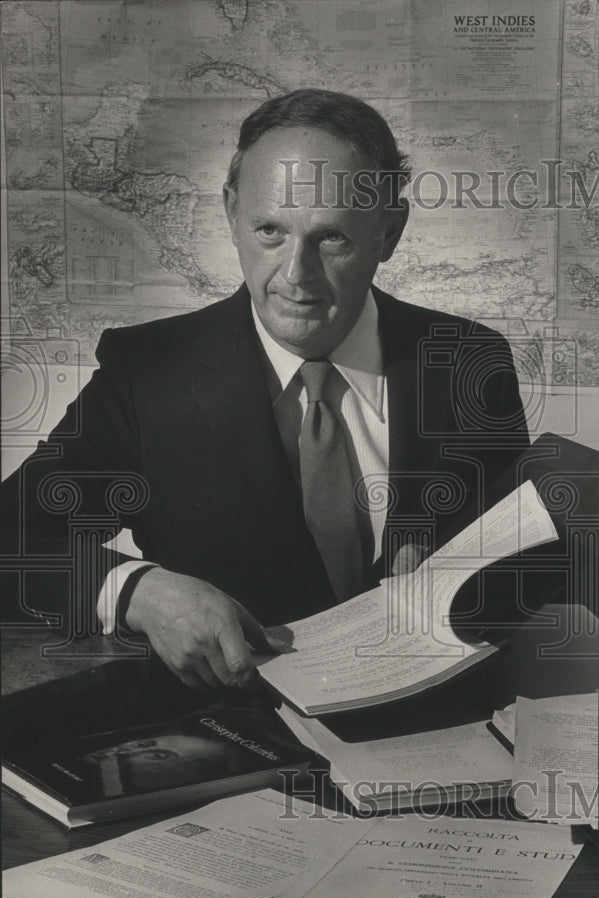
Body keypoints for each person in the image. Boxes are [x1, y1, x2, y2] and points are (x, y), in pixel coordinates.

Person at [1, 89, 529, 693]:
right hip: (232, 742)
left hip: (436, 738)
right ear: (231, 214)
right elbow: (12, 543)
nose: (296, 276)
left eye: (331, 238)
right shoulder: (145, 375)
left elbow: (515, 565)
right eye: (270, 231)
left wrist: (462, 582)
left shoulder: (468, 362)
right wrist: (138, 593)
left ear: (389, 231)